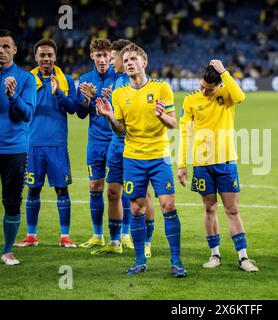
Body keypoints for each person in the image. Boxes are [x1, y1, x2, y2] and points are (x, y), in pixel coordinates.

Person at [96, 43, 186, 277]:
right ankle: (138, 261)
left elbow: (174, 123)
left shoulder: (161, 88)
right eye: (125, 60)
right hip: (133, 158)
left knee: (168, 205)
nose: (128, 63)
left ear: (144, 63)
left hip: (159, 156)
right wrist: (108, 117)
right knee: (136, 209)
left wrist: (162, 116)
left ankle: (176, 260)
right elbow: (119, 130)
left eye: (133, 59)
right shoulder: (119, 93)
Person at [177, 60, 259, 272]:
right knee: (209, 208)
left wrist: (224, 72)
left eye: (209, 88)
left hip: (226, 162)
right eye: (202, 85)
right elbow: (184, 132)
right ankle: (215, 255)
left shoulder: (227, 95)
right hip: (202, 164)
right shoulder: (191, 100)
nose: (204, 90)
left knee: (232, 209)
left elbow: (241, 96)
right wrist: (181, 164)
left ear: (219, 85)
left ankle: (243, 258)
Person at [90, 39, 156, 256]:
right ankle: (116, 241)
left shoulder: (134, 83)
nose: (110, 60)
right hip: (115, 145)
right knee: (112, 193)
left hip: (135, 146)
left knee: (142, 195)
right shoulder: (117, 83)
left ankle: (146, 242)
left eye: (113, 57)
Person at [15, 39, 78, 249]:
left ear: (55, 56)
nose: (46, 59)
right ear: (36, 57)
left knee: (62, 189)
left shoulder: (65, 79)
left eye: (50, 55)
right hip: (32, 145)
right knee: (33, 190)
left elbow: (73, 109)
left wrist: (58, 92)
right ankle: (31, 236)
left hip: (57, 145)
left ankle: (65, 236)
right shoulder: (27, 80)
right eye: (42, 55)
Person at [0, 29, 36, 265]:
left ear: (15, 50)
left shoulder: (26, 79)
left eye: (6, 47)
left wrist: (12, 96)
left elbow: (27, 114)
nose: (1, 51)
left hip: (15, 151)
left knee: (11, 202)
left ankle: (8, 251)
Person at [76, 39, 117, 249]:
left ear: (111, 56)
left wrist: (108, 98)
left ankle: (123, 236)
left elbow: (124, 110)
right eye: (98, 55)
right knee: (94, 186)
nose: (102, 59)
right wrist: (87, 100)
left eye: (105, 55)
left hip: (116, 141)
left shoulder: (119, 77)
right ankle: (98, 235)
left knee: (116, 189)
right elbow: (81, 114)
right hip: (95, 142)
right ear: (92, 56)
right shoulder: (85, 79)